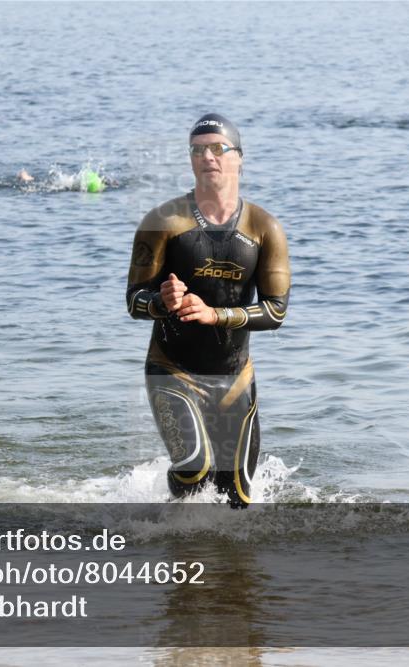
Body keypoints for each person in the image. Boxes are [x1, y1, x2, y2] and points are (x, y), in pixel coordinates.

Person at [125, 113, 291, 508]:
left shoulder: (265, 226)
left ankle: (226, 566)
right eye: (198, 150)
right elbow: (134, 301)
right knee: (194, 470)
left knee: (239, 499)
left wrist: (216, 314)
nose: (208, 157)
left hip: (234, 378)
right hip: (172, 370)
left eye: (219, 148)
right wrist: (162, 302)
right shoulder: (161, 221)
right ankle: (175, 544)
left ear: (239, 158)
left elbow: (277, 311)